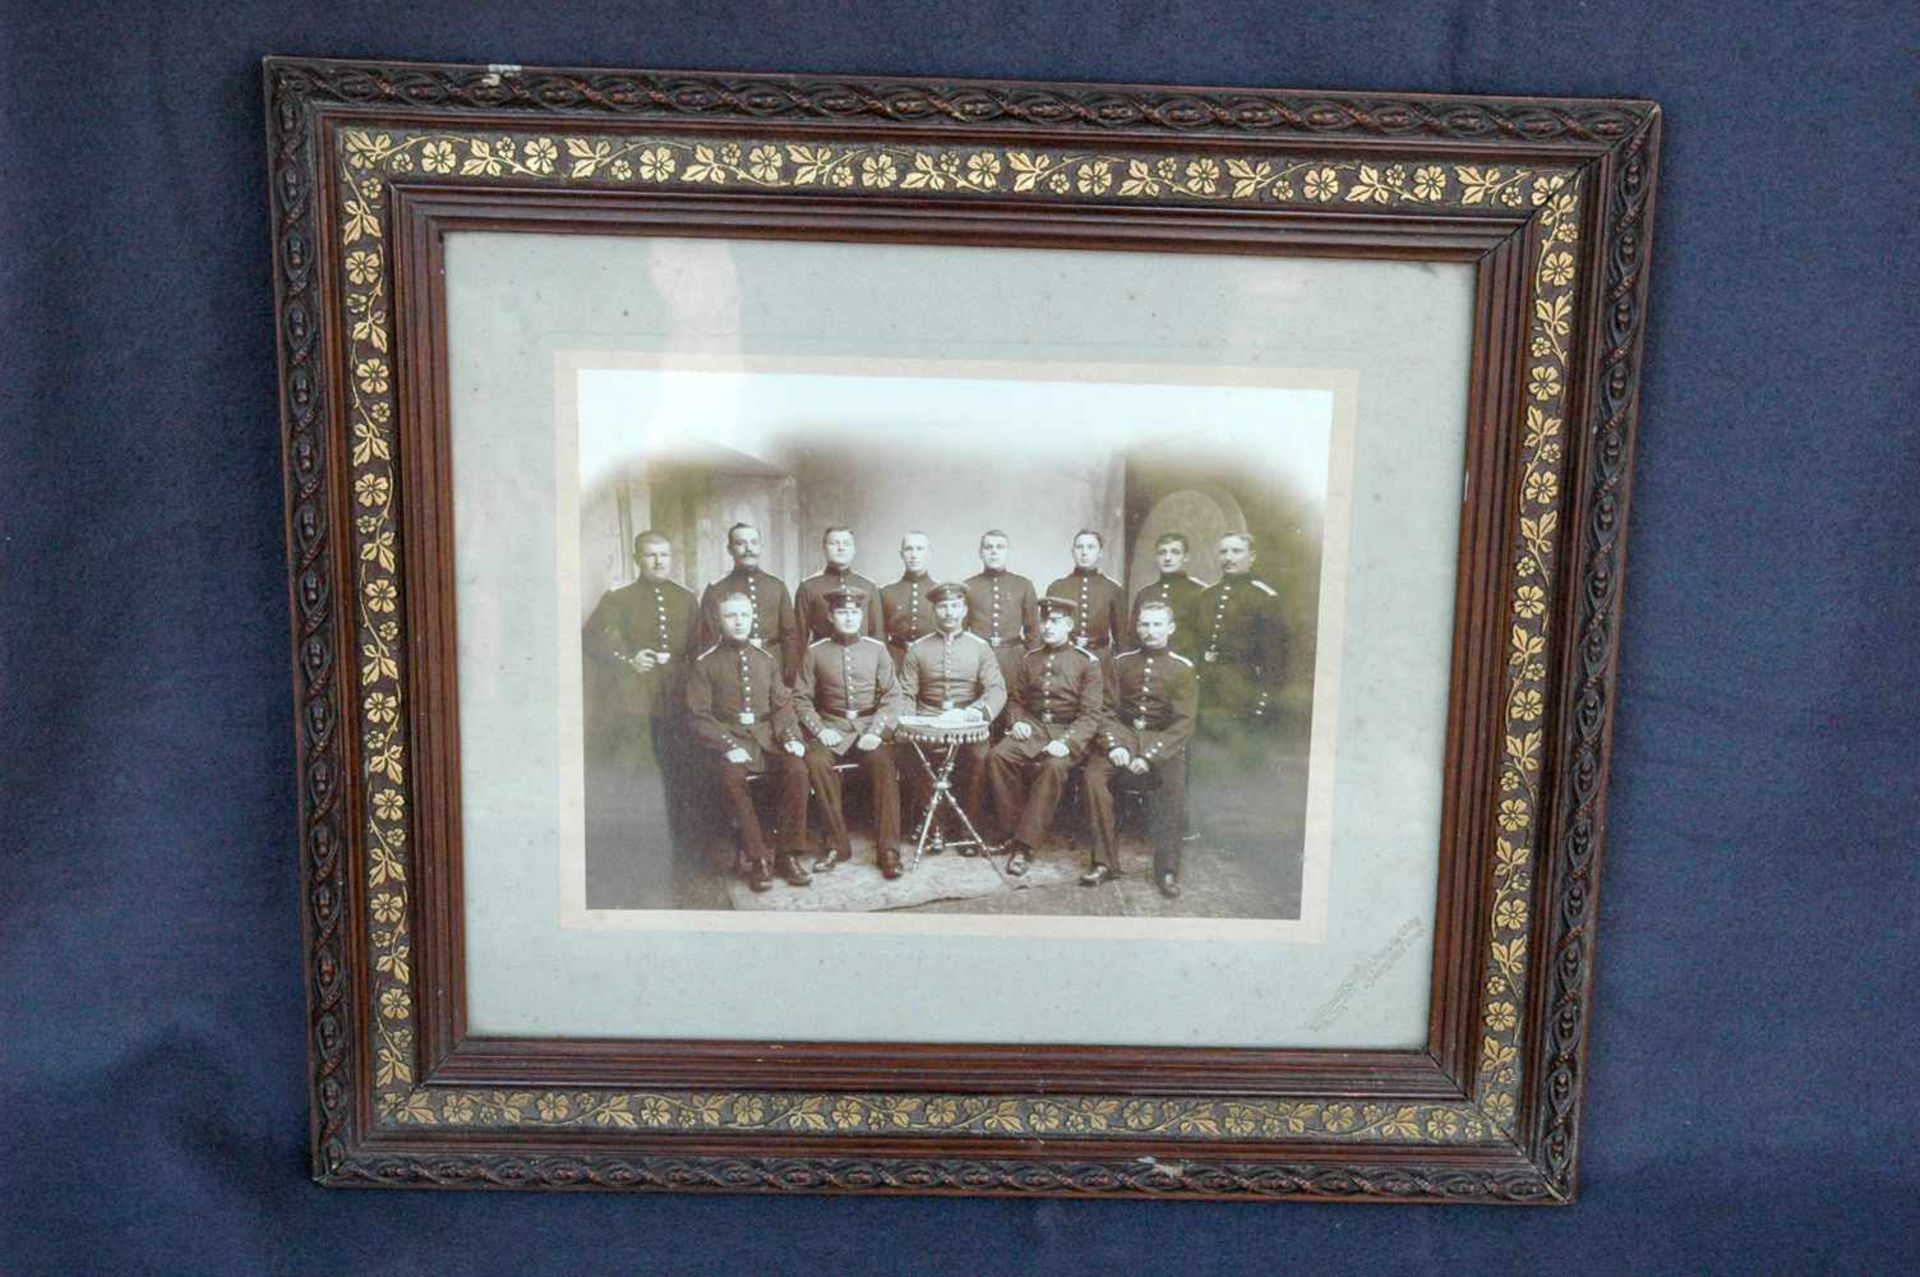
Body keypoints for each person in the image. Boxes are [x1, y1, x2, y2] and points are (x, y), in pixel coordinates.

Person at [579, 531, 701, 886]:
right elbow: (590, 637)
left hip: (678, 697)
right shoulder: (618, 599)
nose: (659, 561)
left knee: (679, 769)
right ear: (637, 559)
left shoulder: (686, 599)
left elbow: (698, 647)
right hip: (636, 701)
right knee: (641, 772)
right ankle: (640, 846)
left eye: (664, 555)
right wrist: (628, 658)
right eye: (650, 555)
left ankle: (682, 846)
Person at [685, 593, 812, 892]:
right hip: (728, 738)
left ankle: (787, 855)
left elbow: (782, 706)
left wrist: (790, 738)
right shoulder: (705, 663)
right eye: (731, 616)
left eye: (744, 615)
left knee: (798, 770)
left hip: (767, 738)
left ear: (752, 617)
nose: (739, 621)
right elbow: (697, 716)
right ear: (719, 620)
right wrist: (728, 745)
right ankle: (758, 860)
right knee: (731, 778)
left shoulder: (766, 660)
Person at [1082, 600, 1197, 897]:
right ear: (1136, 627)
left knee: (1173, 786)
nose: (1150, 631)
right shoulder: (1120, 663)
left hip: (1163, 742)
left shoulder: (1183, 669)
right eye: (1145, 624)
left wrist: (1150, 756)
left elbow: (1183, 724)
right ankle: (1104, 862)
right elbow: (1106, 710)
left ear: (1170, 628)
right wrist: (1116, 744)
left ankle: (1168, 870)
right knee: (1094, 777)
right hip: (1124, 735)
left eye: (1157, 624)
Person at [793, 586, 909, 879]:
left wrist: (877, 731)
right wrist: (820, 731)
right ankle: (836, 844)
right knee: (816, 762)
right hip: (832, 727)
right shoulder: (815, 652)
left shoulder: (877, 649)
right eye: (842, 612)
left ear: (862, 614)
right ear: (830, 616)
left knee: (884, 764)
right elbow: (800, 698)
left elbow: (893, 696)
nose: (848, 617)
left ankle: (889, 850)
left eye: (854, 612)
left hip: (869, 727)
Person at [984, 596, 1103, 877]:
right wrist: (1018, 721)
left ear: (1069, 625)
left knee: (1052, 766)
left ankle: (1024, 846)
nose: (1048, 627)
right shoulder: (1030, 658)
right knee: (997, 757)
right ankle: (1011, 831)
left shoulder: (1086, 662)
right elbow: (1017, 700)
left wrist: (1067, 742)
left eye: (1055, 621)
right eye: (1045, 621)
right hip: (1034, 729)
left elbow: (1091, 715)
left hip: (1068, 733)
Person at [898, 581, 1007, 852]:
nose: (949, 612)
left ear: (965, 609)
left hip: (966, 717)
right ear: (934, 610)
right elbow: (906, 693)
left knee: (980, 756)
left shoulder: (980, 647)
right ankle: (934, 826)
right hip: (928, 716)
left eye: (955, 606)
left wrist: (975, 712)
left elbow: (996, 688)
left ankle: (968, 828)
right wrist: (911, 723)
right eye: (943, 606)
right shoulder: (918, 648)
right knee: (910, 752)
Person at [1195, 532, 1285, 742]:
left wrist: (1263, 702)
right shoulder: (1206, 596)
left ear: (1251, 557)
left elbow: (1274, 659)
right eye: (1223, 552)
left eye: (1236, 551)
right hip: (1206, 690)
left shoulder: (1264, 597)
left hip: (1242, 690)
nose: (1228, 557)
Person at [697, 522, 801, 683]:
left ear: (761, 547)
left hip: (773, 664)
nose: (749, 549)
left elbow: (790, 634)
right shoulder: (716, 589)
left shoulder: (776, 585)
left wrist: (789, 671)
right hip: (730, 666)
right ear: (730, 549)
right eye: (741, 543)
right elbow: (708, 638)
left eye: (754, 543)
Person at [963, 529, 1040, 692]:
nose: (994, 551)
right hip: (979, 659)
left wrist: (1030, 662)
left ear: (1008, 552)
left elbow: (1033, 630)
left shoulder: (1023, 585)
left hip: (1014, 660)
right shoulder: (968, 586)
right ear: (980, 553)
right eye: (988, 547)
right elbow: (961, 631)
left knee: (1015, 706)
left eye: (1000, 547)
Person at [1046, 528, 1127, 660]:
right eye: (1079, 547)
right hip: (1066, 659)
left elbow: (1121, 637)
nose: (1084, 552)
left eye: (1090, 547)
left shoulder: (1113, 589)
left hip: (1100, 659)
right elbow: (1048, 630)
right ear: (1072, 552)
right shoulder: (1057, 587)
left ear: (1100, 553)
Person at [1129, 531, 1210, 663]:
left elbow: (1205, 639)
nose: (1167, 558)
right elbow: (1133, 638)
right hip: (1148, 666)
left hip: (1185, 667)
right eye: (1162, 552)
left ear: (1186, 557)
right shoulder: (1145, 593)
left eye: (1175, 552)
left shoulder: (1199, 592)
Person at [793, 526, 881, 643]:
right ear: (824, 548)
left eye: (846, 544)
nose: (841, 548)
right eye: (834, 543)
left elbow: (878, 635)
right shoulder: (809, 587)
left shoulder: (868, 586)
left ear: (854, 549)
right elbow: (800, 636)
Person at [880, 531, 939, 665]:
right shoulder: (886, 592)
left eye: (920, 549)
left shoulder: (939, 593)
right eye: (909, 549)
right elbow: (879, 634)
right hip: (895, 660)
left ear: (929, 553)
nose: (914, 555)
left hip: (932, 661)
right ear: (901, 554)